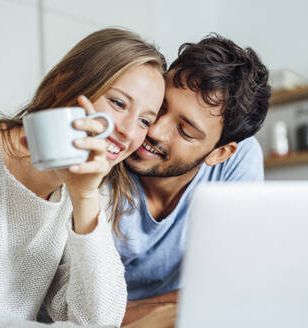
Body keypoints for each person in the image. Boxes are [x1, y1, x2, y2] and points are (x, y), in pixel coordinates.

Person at [0, 28, 176, 327]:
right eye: (119, 103)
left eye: (145, 120)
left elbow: (99, 319)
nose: (129, 132)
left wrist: (85, 197)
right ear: (64, 82)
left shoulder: (89, 185)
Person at [114, 34, 271, 324]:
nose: (155, 131)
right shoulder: (117, 139)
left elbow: (235, 285)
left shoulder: (239, 160)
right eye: (160, 106)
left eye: (185, 131)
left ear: (220, 152)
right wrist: (181, 305)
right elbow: (75, 309)